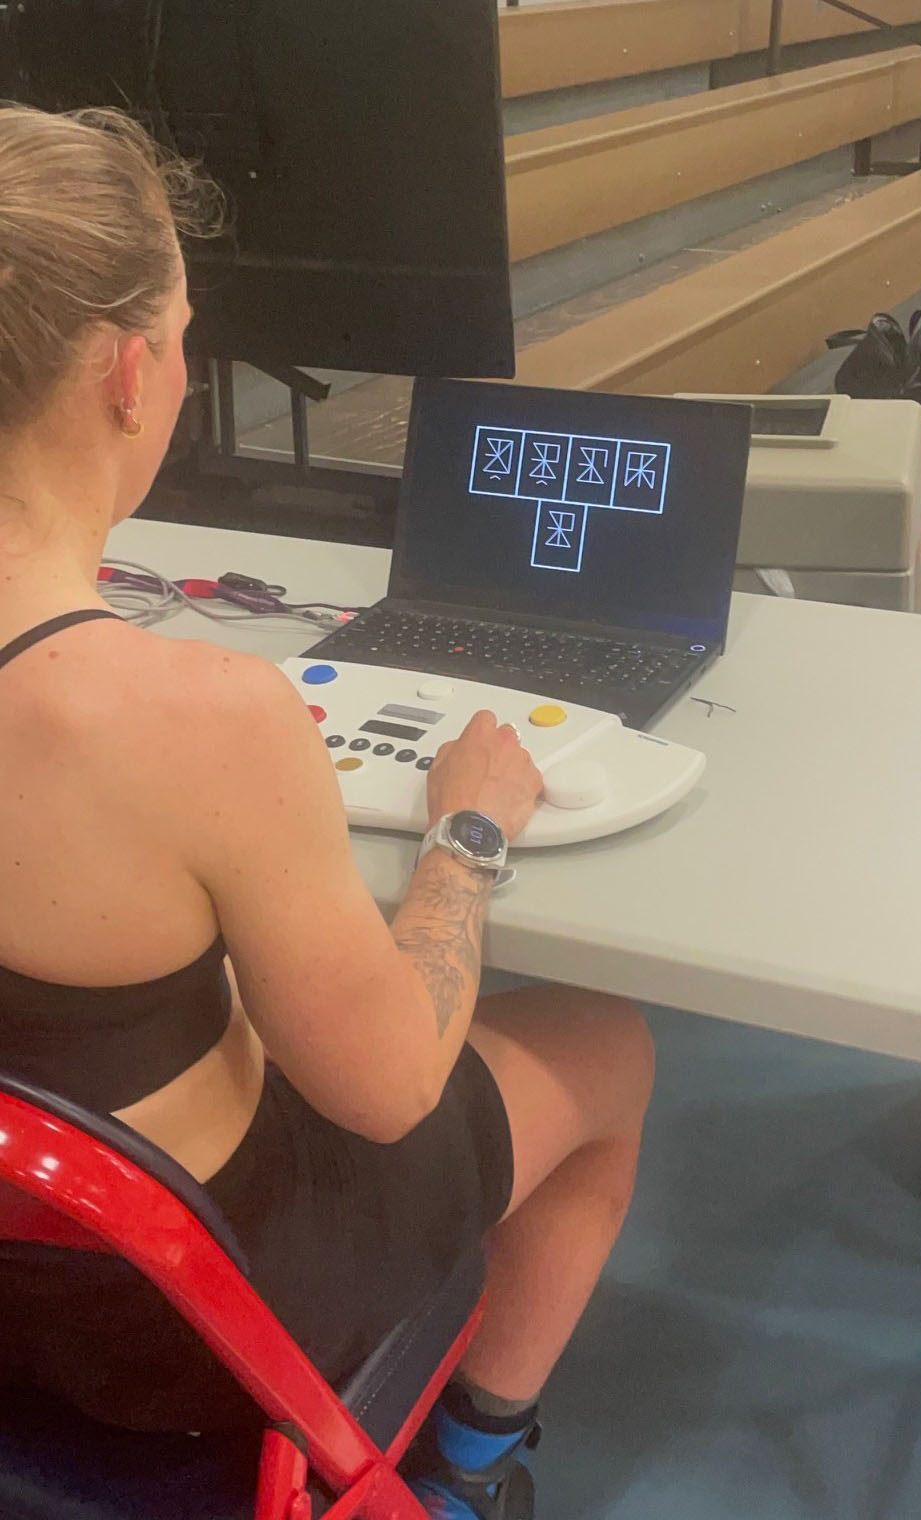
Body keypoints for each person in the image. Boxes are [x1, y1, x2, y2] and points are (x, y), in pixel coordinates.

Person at [0, 104, 655, 1519]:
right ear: (129, 373)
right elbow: (390, 1087)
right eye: (182, 331)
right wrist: (466, 837)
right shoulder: (200, 719)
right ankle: (469, 1469)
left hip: (21, 1281)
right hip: (178, 1338)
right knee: (607, 1045)